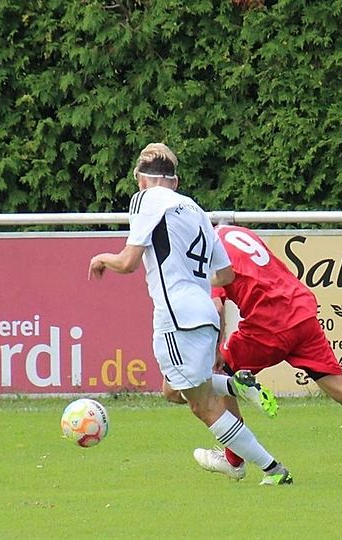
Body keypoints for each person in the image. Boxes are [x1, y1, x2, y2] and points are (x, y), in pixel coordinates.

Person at [88, 143, 292, 486]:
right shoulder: (196, 210)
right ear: (176, 181)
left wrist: (101, 259)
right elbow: (225, 275)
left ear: (140, 180)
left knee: (203, 406)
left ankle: (274, 470)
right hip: (204, 314)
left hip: (177, 316)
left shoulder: (146, 199)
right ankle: (237, 384)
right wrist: (189, 280)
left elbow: (127, 261)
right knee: (171, 390)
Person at [165, 223, 342, 480]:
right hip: (301, 310)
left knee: (222, 371)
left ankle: (234, 460)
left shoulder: (208, 250)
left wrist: (214, 352)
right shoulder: (237, 232)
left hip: (270, 322)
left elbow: (217, 307)